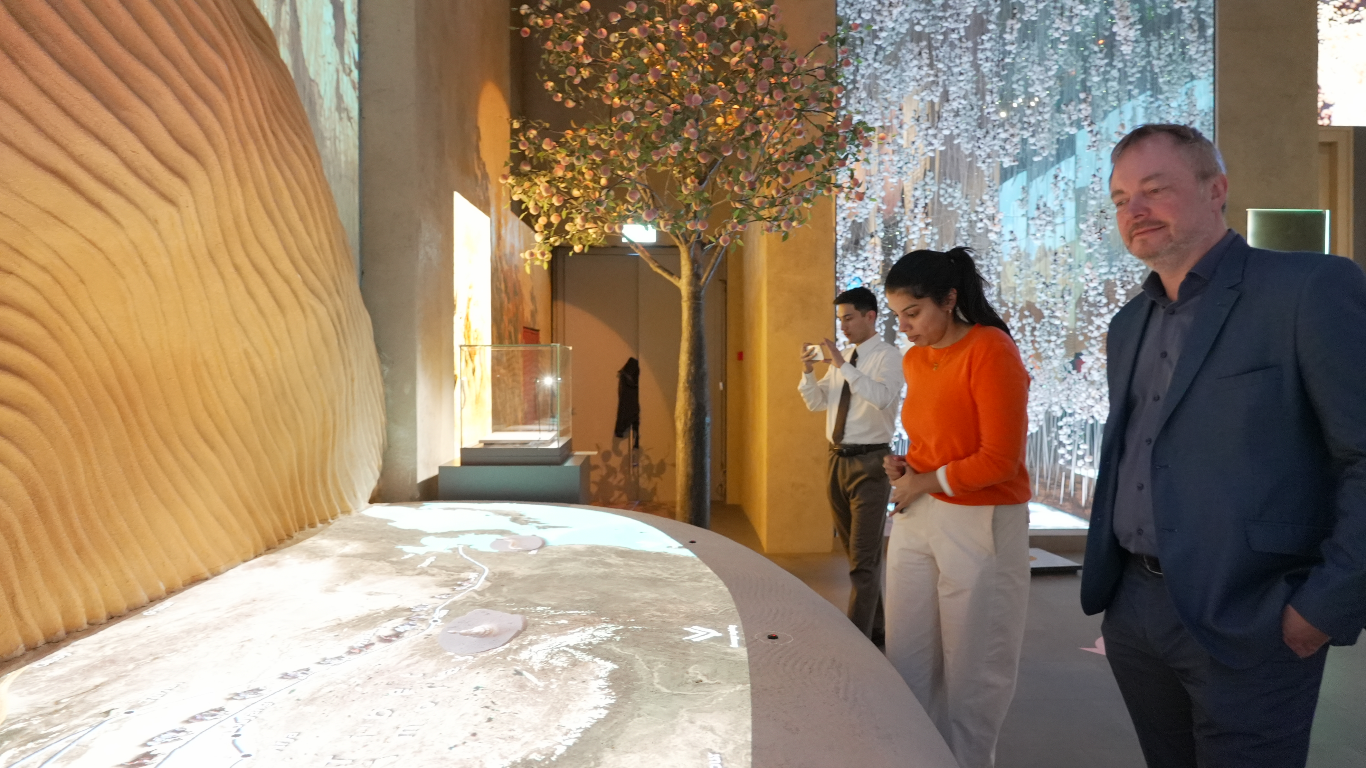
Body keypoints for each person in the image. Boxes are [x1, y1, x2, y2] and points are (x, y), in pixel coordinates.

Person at [1082, 123, 1366, 767]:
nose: (1135, 209)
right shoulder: (1128, 324)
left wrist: (1325, 604)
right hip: (1136, 609)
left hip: (1254, 612)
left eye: (1155, 189)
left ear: (1217, 190)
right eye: (1121, 198)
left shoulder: (1308, 289)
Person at [881, 248, 1031, 768]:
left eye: (913, 313)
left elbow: (1000, 460)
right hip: (919, 513)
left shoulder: (990, 348)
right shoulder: (914, 359)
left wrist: (925, 480)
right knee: (906, 658)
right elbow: (938, 440)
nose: (904, 327)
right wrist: (907, 467)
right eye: (897, 315)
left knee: (974, 670)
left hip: (980, 518)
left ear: (948, 300)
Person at [797, 286, 905, 641]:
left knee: (863, 559)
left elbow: (881, 397)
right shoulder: (842, 357)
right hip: (836, 460)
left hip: (871, 463)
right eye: (839, 319)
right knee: (858, 557)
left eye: (848, 318)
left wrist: (843, 366)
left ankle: (856, 640)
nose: (842, 326)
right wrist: (809, 372)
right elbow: (818, 404)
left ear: (870, 316)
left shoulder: (888, 357)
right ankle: (876, 629)